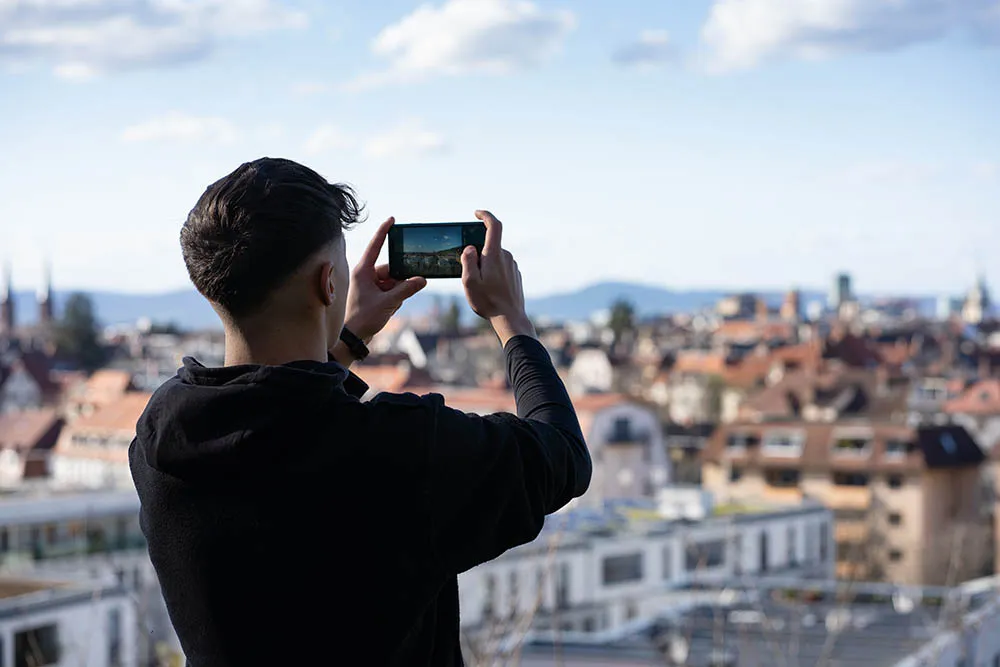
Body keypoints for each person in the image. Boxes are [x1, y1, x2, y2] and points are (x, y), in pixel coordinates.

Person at [129, 157, 592, 666]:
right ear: (329, 284)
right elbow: (563, 455)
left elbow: (274, 424)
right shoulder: (402, 450)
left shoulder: (159, 441)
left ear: (208, 285)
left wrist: (345, 340)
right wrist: (511, 319)